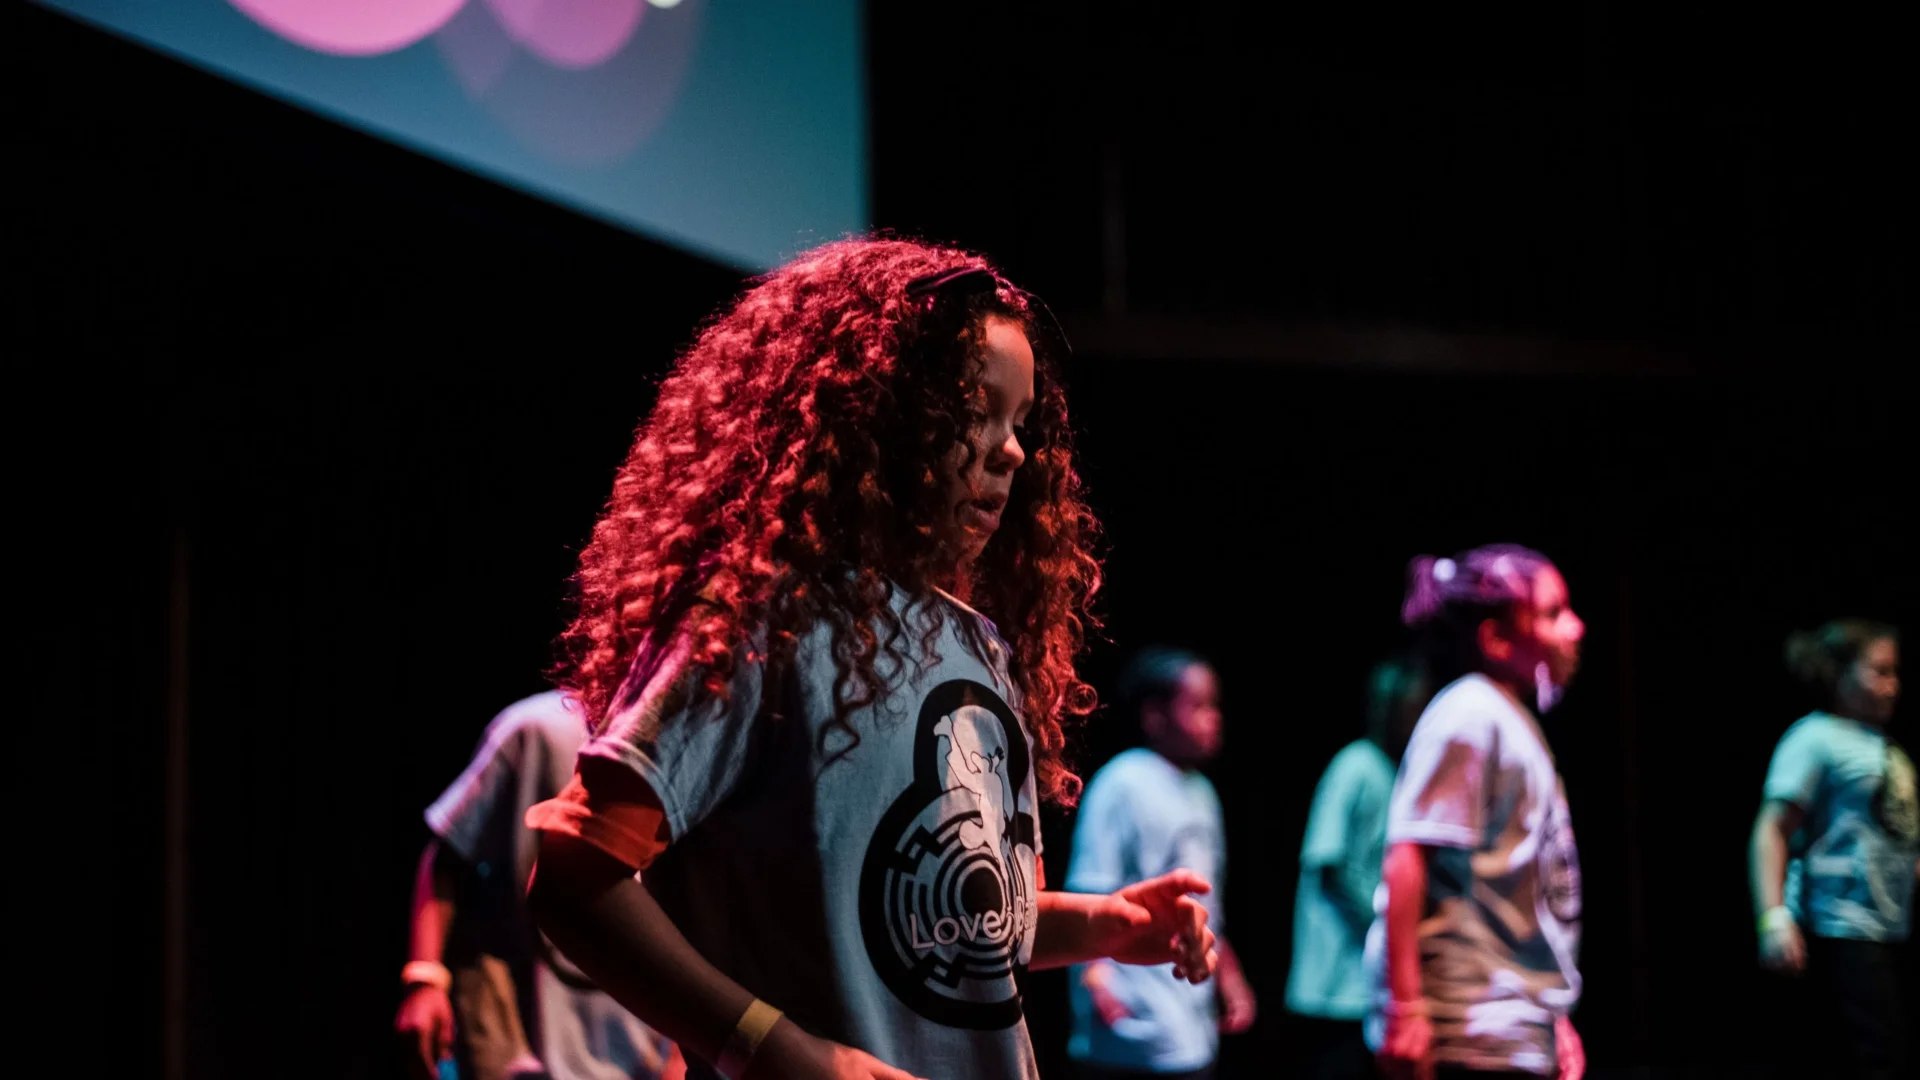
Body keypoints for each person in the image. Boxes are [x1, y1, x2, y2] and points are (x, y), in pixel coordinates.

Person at [519, 239, 1220, 1080]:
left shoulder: (984, 649)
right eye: (976, 410)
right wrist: (777, 1050)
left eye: (1022, 423)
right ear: (870, 409)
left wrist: (1104, 924)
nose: (1012, 451)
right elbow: (573, 875)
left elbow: (962, 924)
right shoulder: (762, 619)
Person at [1370, 545, 1587, 1080]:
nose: (1576, 628)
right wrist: (1405, 1011)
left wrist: (1549, 1014)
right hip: (1467, 1030)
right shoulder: (1469, 713)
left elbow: (1517, 897)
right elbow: (1407, 859)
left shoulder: (1510, 718)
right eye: (1553, 612)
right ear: (1496, 639)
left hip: (1510, 1026)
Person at [396, 691, 682, 1080]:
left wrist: (685, 1049)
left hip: (639, 1053)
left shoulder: (688, 736)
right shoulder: (538, 729)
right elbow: (449, 858)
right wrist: (424, 979)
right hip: (520, 1039)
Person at [1064, 648, 1258, 1080]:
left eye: (1214, 705)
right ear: (1156, 715)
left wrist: (1229, 978)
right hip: (1134, 1019)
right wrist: (1095, 981)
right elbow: (1089, 889)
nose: (1213, 718)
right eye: (1198, 706)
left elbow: (1207, 902)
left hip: (1190, 1020)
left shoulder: (1202, 792)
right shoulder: (1123, 781)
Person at [1750, 619, 1912, 1080]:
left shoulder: (1883, 745)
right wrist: (1773, 917)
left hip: (1887, 928)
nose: (1892, 685)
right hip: (1838, 929)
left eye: (1895, 672)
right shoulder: (1814, 738)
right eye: (1879, 671)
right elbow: (1772, 829)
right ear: (1840, 675)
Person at [1286, 654, 1431, 1080]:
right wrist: (1387, 923)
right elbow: (1327, 863)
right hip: (1334, 987)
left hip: (1371, 989)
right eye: (1411, 708)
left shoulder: (1399, 773)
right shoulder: (1355, 765)